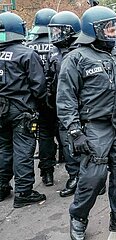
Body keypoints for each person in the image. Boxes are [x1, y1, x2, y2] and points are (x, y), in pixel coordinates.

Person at [56, 6, 116, 239]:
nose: (114, 31)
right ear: (94, 30)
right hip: (94, 127)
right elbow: (65, 99)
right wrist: (75, 131)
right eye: (109, 27)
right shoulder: (76, 58)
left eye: (115, 26)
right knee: (93, 177)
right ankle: (78, 216)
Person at [0, 12, 47, 207]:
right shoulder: (26, 53)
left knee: (3, 148)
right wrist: (44, 105)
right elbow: (39, 86)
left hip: (1, 109)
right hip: (21, 110)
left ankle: (2, 186)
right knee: (23, 150)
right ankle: (24, 191)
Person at [46, 11, 82, 197]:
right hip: (63, 107)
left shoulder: (82, 51)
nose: (56, 35)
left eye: (59, 31)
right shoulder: (56, 53)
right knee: (67, 143)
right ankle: (74, 176)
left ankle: (91, 180)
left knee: (86, 143)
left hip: (82, 106)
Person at [26, 8, 58, 187]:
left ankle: (47, 173)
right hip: (58, 95)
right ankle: (73, 172)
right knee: (64, 133)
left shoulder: (27, 46)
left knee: (44, 134)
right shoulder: (58, 44)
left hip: (37, 98)